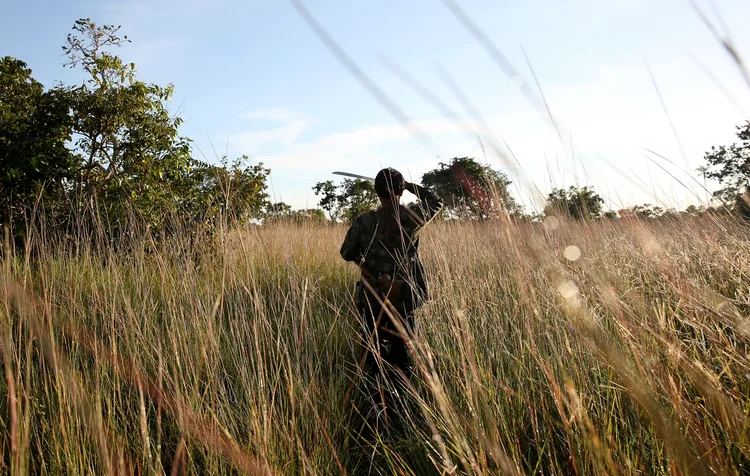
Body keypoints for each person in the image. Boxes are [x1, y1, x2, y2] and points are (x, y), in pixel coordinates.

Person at [340, 168, 443, 386]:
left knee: (373, 352)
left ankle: (378, 397)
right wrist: (410, 186)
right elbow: (435, 201)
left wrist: (364, 261)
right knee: (403, 353)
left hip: (372, 297)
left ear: (377, 191)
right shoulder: (413, 216)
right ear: (400, 190)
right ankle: (403, 398)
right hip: (402, 296)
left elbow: (346, 253)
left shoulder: (364, 222)